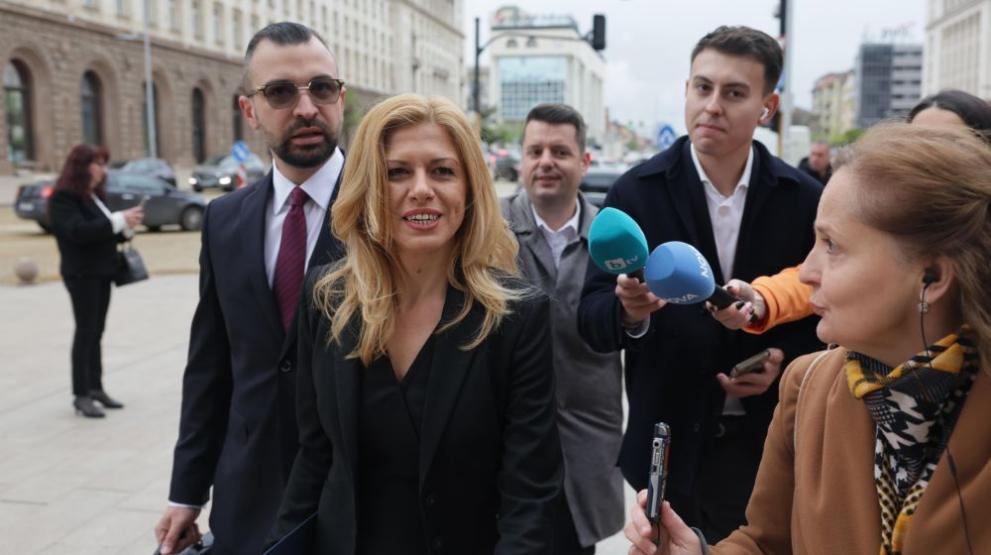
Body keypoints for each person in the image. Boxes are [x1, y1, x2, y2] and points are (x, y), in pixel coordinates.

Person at [625, 122, 991, 555]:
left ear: (930, 277)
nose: (806, 272)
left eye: (832, 245)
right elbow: (766, 544)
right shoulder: (808, 387)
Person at [269, 94, 562, 553]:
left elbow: (530, 495)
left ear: (469, 188)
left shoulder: (517, 317)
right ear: (368, 186)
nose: (421, 189)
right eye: (397, 172)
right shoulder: (327, 300)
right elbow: (314, 456)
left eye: (442, 171)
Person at [577, 26, 823, 541]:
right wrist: (629, 311)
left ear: (767, 106)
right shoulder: (636, 192)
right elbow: (591, 321)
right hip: (666, 442)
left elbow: (827, 311)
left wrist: (781, 363)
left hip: (768, 444)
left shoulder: (804, 199)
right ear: (686, 89)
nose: (712, 106)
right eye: (703, 87)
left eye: (734, 93)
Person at [154, 22, 347, 555]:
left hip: (356, 497)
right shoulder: (224, 220)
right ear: (250, 110)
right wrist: (186, 492)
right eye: (280, 92)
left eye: (321, 88)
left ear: (340, 97)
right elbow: (210, 364)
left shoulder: (385, 209)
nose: (306, 108)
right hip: (247, 499)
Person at [712, 88, 991, 334]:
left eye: (948, 145)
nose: (925, 158)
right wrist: (763, 298)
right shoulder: (879, 209)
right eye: (915, 142)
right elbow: (831, 273)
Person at [501, 103, 624, 554]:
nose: (546, 162)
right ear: (521, 160)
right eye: (535, 151)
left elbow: (636, 326)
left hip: (585, 444)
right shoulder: (487, 230)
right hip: (506, 444)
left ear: (584, 162)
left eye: (560, 151)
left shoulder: (613, 237)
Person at [49, 144, 143, 418]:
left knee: (97, 331)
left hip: (102, 272)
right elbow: (78, 232)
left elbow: (104, 231)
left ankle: (95, 387)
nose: (103, 170)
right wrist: (118, 220)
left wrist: (126, 227)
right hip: (81, 274)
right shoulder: (63, 198)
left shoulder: (93, 197)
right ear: (82, 167)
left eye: (103, 164)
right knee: (85, 331)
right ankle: (81, 394)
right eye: (98, 164)